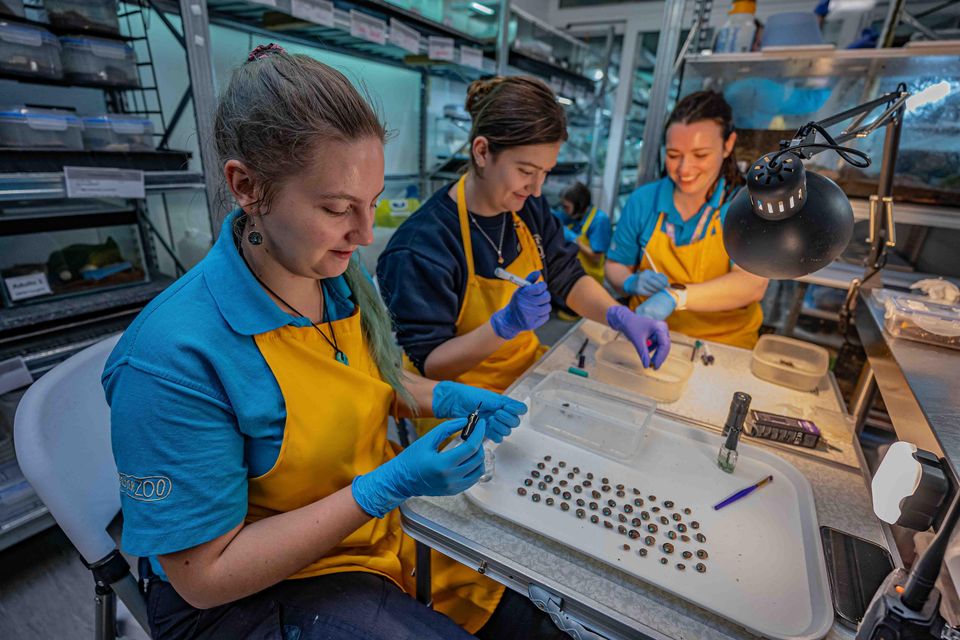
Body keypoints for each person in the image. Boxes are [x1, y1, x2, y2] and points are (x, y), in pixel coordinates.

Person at [102, 45, 563, 640]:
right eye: (337, 208)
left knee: (540, 614)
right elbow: (202, 576)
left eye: (370, 205)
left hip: (365, 538)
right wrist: (384, 486)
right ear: (247, 187)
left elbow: (376, 379)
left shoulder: (340, 281)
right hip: (255, 595)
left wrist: (446, 397)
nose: (365, 233)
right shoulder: (173, 359)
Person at [377, 76, 670, 401]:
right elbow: (432, 365)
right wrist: (503, 326)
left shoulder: (526, 208)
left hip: (527, 377)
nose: (536, 188)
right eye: (527, 171)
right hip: (461, 404)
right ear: (483, 151)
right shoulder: (423, 246)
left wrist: (620, 317)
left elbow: (566, 276)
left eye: (545, 173)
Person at [605, 90, 769, 349]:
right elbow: (615, 264)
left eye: (700, 155)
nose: (683, 169)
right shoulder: (643, 201)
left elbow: (751, 285)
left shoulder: (743, 206)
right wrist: (629, 281)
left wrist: (674, 297)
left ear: (728, 145)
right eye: (673, 155)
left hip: (725, 347)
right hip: (648, 337)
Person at [553, 181, 611, 285]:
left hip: (590, 280)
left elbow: (596, 258)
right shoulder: (575, 216)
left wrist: (574, 240)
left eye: (566, 207)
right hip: (572, 275)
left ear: (579, 206)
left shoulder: (599, 221)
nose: (564, 210)